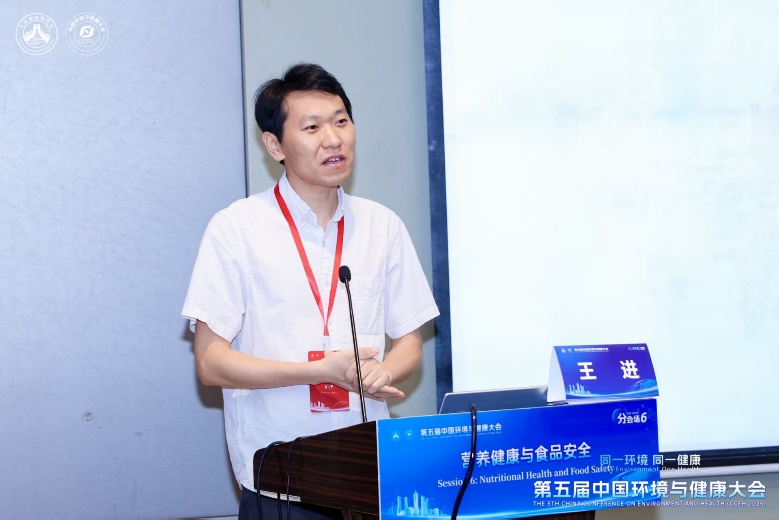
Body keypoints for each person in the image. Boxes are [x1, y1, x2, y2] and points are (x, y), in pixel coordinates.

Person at [181, 63, 439, 519]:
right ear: (275, 146)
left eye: (341, 121)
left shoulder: (382, 225)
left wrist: (382, 373)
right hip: (281, 476)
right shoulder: (236, 228)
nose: (333, 139)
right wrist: (317, 371)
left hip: (370, 474)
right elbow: (210, 362)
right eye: (313, 127)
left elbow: (410, 343)